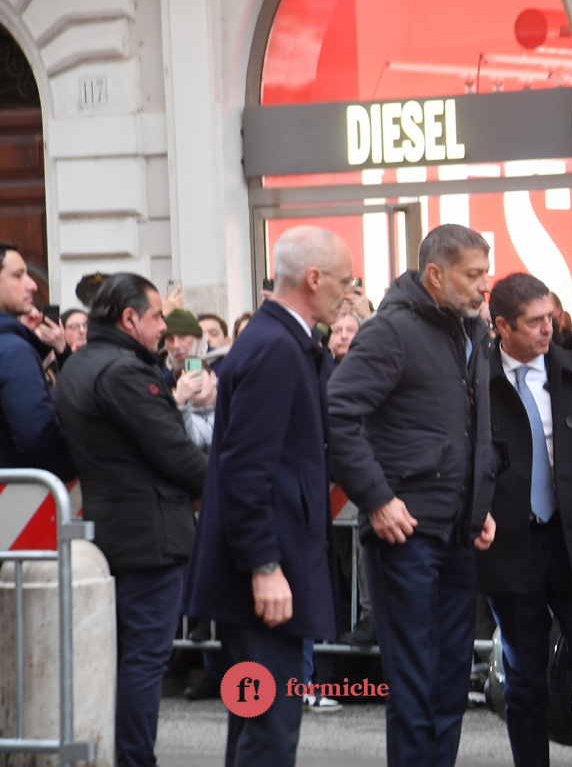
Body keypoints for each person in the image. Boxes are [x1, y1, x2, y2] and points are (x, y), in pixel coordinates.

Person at [327, 223, 498, 767]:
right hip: (406, 533)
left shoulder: (471, 331)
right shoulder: (392, 331)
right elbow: (337, 413)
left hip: (457, 530)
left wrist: (480, 503)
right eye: (473, 274)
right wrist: (377, 499)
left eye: (486, 273)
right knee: (415, 682)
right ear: (436, 275)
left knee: (449, 681)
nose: (484, 285)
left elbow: (471, 429)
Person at [183, 226, 351, 766]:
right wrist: (265, 566)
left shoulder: (279, 341)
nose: (349, 294)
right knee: (269, 733)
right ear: (314, 277)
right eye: (345, 281)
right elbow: (245, 470)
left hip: (267, 572)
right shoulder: (276, 348)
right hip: (263, 579)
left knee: (257, 726)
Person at [479, 272, 572, 767]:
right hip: (512, 546)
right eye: (533, 322)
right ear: (502, 326)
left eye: (550, 317)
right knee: (525, 678)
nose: (548, 329)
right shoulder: (476, 377)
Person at [56, 273, 208, 767]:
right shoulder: (123, 372)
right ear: (128, 319)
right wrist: (225, 486)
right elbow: (176, 452)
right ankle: (134, 758)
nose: (164, 327)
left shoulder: (81, 365)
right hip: (149, 538)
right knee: (143, 658)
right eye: (157, 316)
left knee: (123, 658)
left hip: (114, 532)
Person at [0, 242, 72, 476]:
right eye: (18, 275)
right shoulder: (14, 352)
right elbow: (38, 437)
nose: (32, 285)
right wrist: (74, 465)